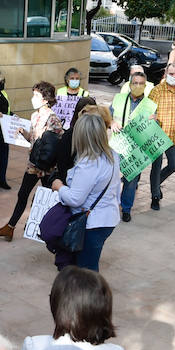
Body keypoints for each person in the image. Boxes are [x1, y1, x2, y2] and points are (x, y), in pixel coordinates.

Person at [0, 81, 66, 242]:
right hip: (34, 164)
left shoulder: (53, 119)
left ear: (46, 99)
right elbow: (33, 138)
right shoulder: (35, 115)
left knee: (49, 198)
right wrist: (23, 132)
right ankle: (10, 228)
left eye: (37, 95)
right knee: (23, 194)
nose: (33, 98)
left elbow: (56, 144)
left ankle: (53, 228)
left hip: (47, 167)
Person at [51, 113, 120, 271]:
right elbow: (116, 189)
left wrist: (59, 186)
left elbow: (75, 199)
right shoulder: (112, 155)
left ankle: (90, 295)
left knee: (87, 271)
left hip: (92, 224)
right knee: (87, 265)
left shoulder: (89, 163)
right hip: (108, 218)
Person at [112, 65, 156, 222]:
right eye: (135, 83)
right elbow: (108, 116)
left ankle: (126, 209)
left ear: (145, 85)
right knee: (111, 176)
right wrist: (111, 122)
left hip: (136, 148)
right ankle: (110, 205)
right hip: (118, 144)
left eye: (141, 83)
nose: (138, 86)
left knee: (131, 181)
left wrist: (154, 122)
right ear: (130, 84)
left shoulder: (150, 105)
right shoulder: (119, 98)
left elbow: (153, 131)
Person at [147, 60, 175, 211]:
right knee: (156, 167)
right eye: (171, 74)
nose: (173, 76)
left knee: (174, 165)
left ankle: (156, 185)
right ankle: (155, 196)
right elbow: (148, 111)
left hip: (174, 136)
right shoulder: (157, 90)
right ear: (166, 74)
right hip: (158, 136)